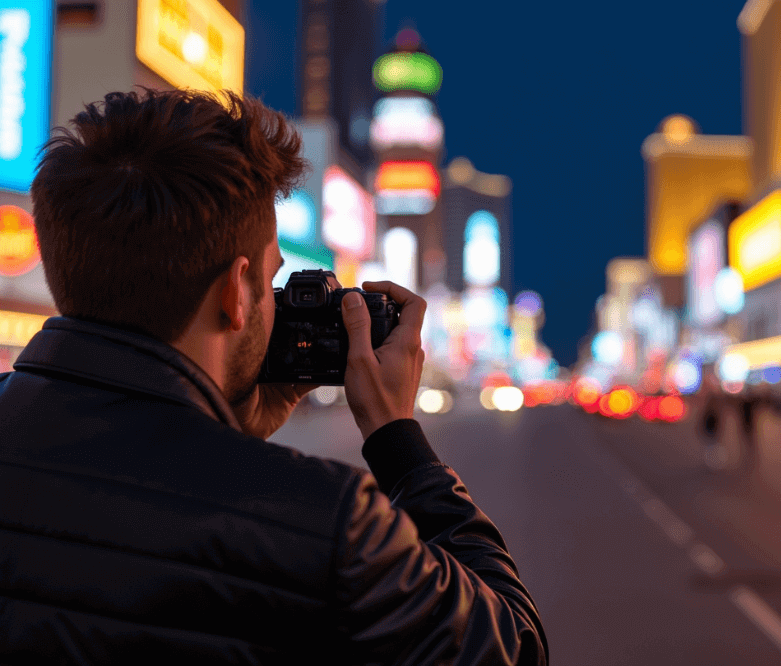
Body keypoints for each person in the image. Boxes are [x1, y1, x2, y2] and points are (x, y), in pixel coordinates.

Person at [0, 88, 548, 664]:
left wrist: (219, 431)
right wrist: (399, 444)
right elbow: (514, 647)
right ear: (237, 292)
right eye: (271, 279)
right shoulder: (331, 527)